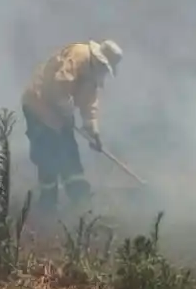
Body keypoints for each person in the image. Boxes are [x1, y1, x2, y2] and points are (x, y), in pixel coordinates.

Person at [21, 39, 123, 214]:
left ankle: (81, 201)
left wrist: (93, 131)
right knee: (47, 153)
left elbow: (89, 103)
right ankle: (47, 205)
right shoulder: (78, 55)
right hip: (38, 104)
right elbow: (58, 86)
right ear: (99, 59)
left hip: (59, 115)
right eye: (105, 67)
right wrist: (66, 112)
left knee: (69, 152)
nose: (105, 71)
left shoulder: (94, 74)